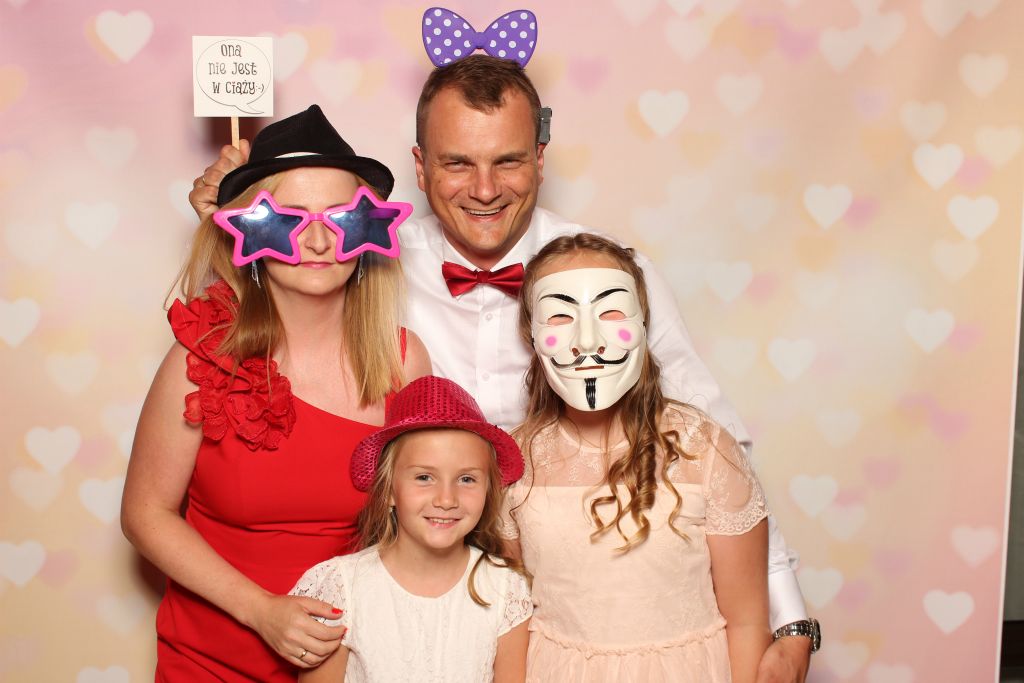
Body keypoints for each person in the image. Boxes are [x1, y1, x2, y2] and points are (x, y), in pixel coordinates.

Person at [188, 55, 816, 681]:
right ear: (420, 167)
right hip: (422, 602)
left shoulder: (607, 275)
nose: (485, 190)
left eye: (508, 161)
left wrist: (789, 622)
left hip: (568, 609)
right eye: (458, 163)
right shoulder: (368, 262)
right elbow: (282, 302)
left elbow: (719, 454)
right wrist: (233, 221)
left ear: (541, 159)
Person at [122, 105, 431, 681]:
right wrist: (260, 610)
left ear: (368, 231)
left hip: (350, 662)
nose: (317, 240)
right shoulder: (199, 359)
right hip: (211, 661)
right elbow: (145, 514)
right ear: (250, 231)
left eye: (340, 217)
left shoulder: (403, 361)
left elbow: (418, 512)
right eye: (289, 219)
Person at [509, 232, 771, 681]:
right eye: (560, 316)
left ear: (644, 324)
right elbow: (509, 615)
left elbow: (747, 621)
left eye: (610, 312)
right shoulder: (516, 460)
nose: (586, 341)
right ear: (531, 335)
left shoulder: (705, 450)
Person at [289, 375, 532, 682]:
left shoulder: (506, 590)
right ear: (389, 490)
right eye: (424, 478)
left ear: (488, 489)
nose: (446, 499)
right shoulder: (342, 587)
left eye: (466, 479)